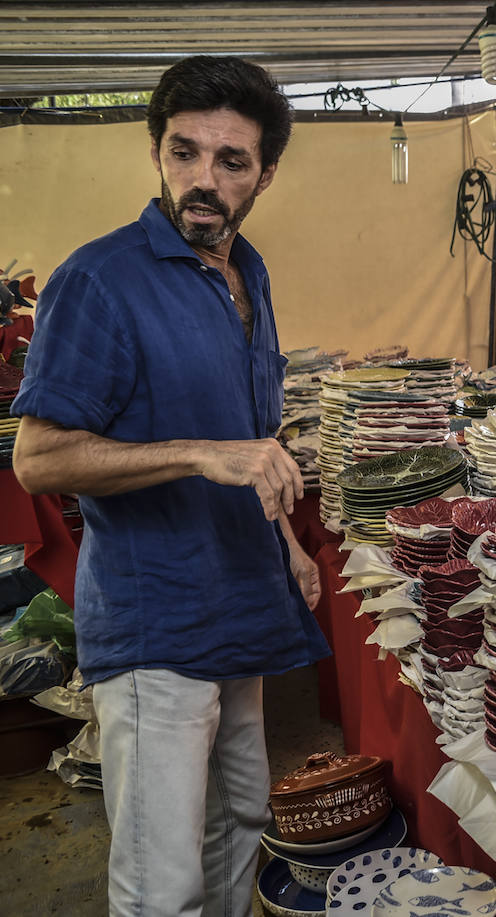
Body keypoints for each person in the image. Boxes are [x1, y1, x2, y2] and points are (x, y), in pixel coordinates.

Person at [10, 56, 330, 916]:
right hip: (159, 626)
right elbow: (38, 458)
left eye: (231, 162)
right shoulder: (99, 279)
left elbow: (252, 436)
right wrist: (198, 453)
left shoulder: (247, 274)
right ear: (156, 151)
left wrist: (291, 543)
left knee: (238, 825)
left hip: (243, 607)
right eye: (184, 152)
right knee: (163, 885)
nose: (203, 180)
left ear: (266, 173)